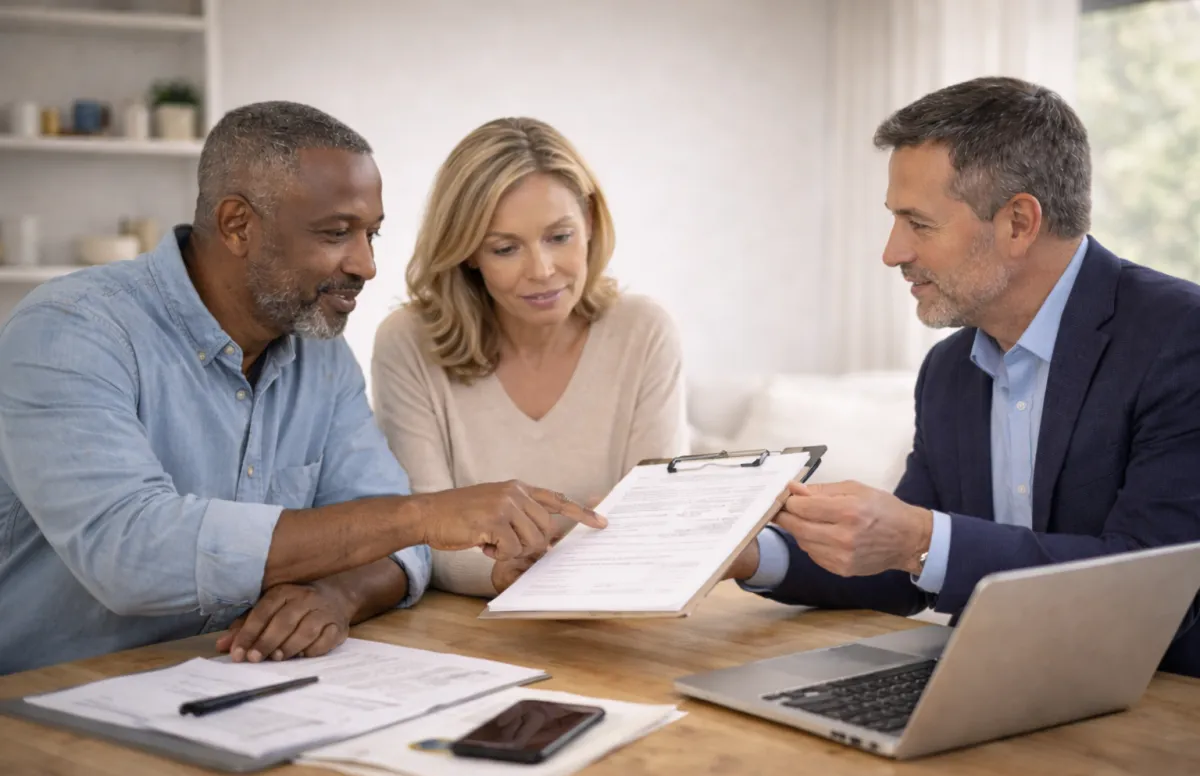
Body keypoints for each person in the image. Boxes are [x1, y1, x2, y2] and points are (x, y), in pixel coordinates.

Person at [0, 102, 603, 675]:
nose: (366, 264)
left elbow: (400, 550)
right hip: (49, 699)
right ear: (237, 225)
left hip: (234, 686)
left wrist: (338, 595)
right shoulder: (71, 331)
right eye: (337, 232)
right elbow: (130, 552)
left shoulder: (321, 355)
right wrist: (423, 515)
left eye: (372, 234)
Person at [726, 76, 1200, 677]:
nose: (892, 252)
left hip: (1159, 708)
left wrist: (919, 538)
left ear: (1018, 223)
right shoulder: (949, 370)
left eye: (918, 224)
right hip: (986, 684)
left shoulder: (1181, 337)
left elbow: (1154, 586)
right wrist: (748, 555)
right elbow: (901, 574)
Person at [372, 117, 687, 597]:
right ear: (468, 253)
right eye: (505, 248)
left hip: (618, 617)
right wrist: (499, 571)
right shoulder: (408, 343)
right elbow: (420, 533)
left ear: (588, 222)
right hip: (470, 631)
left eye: (559, 237)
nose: (541, 271)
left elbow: (657, 520)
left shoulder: (643, 332)